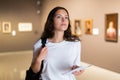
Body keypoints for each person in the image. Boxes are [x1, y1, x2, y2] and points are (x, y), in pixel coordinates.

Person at [29, 6, 84, 80]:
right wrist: (38, 59)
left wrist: (78, 70)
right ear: (51, 21)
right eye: (59, 17)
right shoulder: (40, 44)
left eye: (66, 17)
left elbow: (76, 65)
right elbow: (34, 70)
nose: (64, 20)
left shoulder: (75, 43)